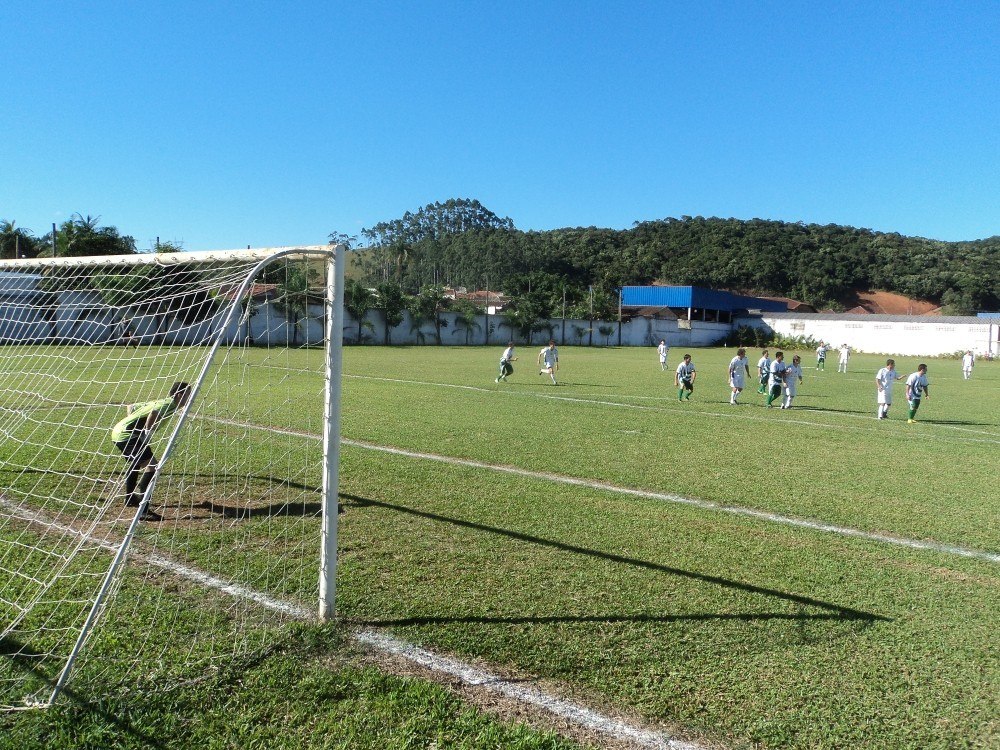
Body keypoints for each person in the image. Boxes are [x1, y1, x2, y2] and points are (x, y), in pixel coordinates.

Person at [111, 381, 191, 520]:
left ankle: (130, 499)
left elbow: (131, 407)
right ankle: (144, 511)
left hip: (120, 431)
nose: (190, 399)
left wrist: (137, 427)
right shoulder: (168, 405)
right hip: (127, 435)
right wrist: (146, 433)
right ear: (179, 395)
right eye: (188, 395)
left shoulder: (164, 401)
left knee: (137, 463)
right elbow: (154, 413)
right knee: (152, 467)